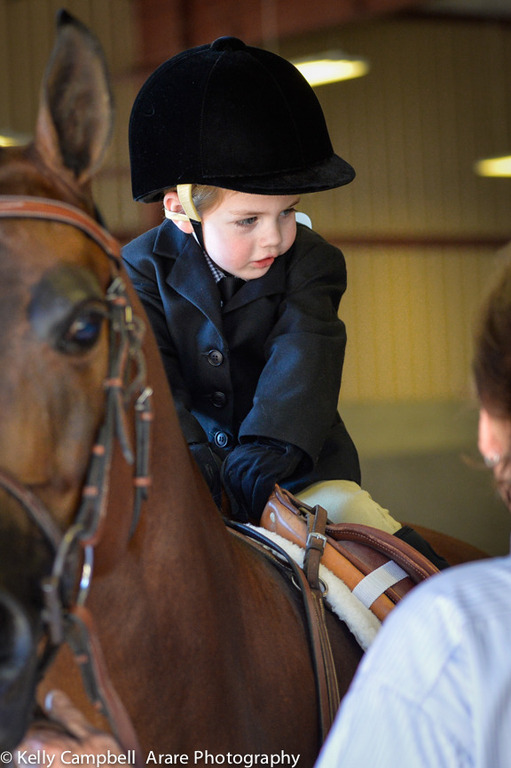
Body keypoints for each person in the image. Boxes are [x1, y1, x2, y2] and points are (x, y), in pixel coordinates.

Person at [122, 35, 447, 568]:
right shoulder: (137, 270)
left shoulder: (313, 261)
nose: (274, 238)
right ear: (179, 211)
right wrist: (189, 454)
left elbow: (306, 348)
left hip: (298, 473)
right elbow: (151, 374)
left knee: (382, 549)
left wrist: (271, 445)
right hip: (187, 475)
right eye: (247, 220)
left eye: (287, 212)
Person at [315, 259, 511, 768]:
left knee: (342, 501)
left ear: (490, 430)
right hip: (199, 469)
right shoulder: (146, 274)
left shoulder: (310, 265)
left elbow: (298, 376)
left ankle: (423, 581)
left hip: (286, 464)